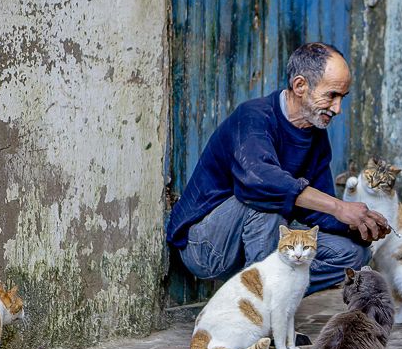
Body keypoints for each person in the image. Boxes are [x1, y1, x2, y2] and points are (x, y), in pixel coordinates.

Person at [166, 42, 390, 304]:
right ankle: (257, 313)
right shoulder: (253, 116)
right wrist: (339, 207)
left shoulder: (316, 136)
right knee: (267, 201)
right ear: (299, 86)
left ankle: (269, 299)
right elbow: (259, 182)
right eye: (331, 96)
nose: (337, 108)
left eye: (342, 97)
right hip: (206, 247)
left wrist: (356, 224)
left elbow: (317, 211)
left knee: (354, 254)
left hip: (260, 239)